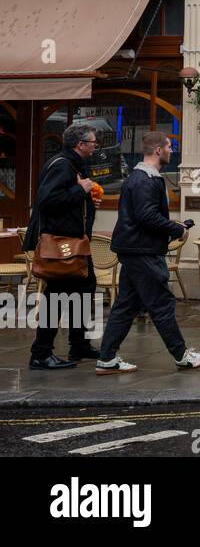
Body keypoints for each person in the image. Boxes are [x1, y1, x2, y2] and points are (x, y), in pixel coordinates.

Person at [96, 131, 200, 375]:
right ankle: (182, 356)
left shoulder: (143, 178)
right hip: (142, 251)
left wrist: (174, 227)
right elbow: (146, 216)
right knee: (162, 303)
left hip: (136, 249)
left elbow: (144, 215)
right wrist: (176, 229)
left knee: (126, 305)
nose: (172, 150)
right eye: (170, 147)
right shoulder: (144, 180)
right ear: (158, 150)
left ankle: (107, 358)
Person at [26, 124, 103, 370]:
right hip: (62, 245)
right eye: (93, 142)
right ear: (80, 144)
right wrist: (80, 190)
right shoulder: (61, 165)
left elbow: (66, 198)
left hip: (74, 242)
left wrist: (86, 200)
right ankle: (40, 353)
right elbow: (47, 201)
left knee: (85, 288)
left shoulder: (72, 164)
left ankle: (78, 344)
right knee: (57, 296)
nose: (95, 146)